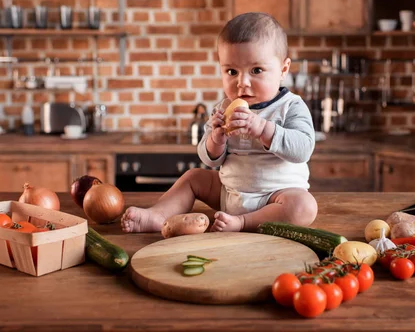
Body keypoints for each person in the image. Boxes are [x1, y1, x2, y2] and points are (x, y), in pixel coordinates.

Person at [121, 12, 317, 233]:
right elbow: (210, 160)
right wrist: (216, 139)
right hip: (229, 192)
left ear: (283, 69)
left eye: (256, 70)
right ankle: (158, 216)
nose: (242, 83)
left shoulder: (291, 106)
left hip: (275, 198)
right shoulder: (223, 108)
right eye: (232, 71)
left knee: (305, 206)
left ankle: (243, 223)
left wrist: (262, 128)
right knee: (194, 177)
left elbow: (303, 149)